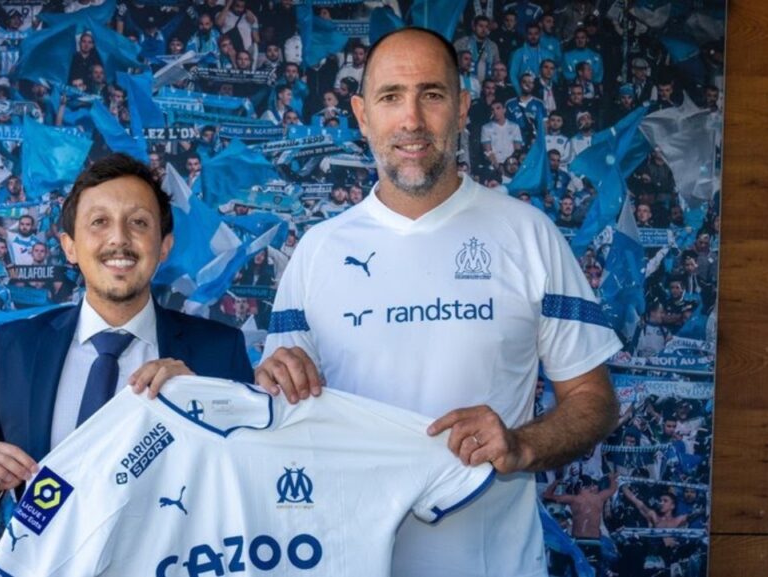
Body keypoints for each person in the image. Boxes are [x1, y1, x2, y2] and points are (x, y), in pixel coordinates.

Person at [258, 28, 620, 577]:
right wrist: (274, 381)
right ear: (361, 115)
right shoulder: (316, 252)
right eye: (390, 97)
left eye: (431, 94)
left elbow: (595, 401)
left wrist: (520, 444)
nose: (411, 120)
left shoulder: (529, 235)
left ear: (463, 107)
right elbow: (282, 409)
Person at [0, 154, 255, 522]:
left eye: (138, 222)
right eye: (99, 222)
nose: (119, 238)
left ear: (164, 246)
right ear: (70, 246)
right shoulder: (16, 346)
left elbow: (248, 474)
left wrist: (198, 403)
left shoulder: (218, 352)